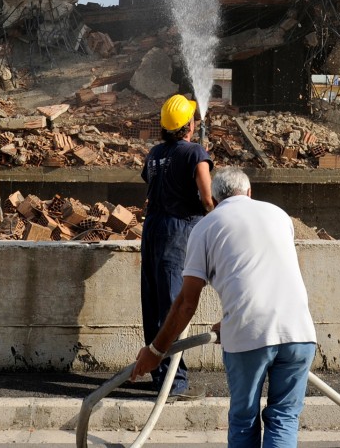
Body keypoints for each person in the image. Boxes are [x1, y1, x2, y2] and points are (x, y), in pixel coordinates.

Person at [132, 167, 317, 448]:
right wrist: (232, 320)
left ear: (214, 200)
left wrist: (156, 352)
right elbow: (267, 270)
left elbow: (185, 303)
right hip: (300, 332)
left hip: (250, 337)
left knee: (244, 421)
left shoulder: (205, 227)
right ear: (249, 193)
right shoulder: (279, 215)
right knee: (284, 417)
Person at [139, 93, 214, 398]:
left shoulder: (154, 153)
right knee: (173, 304)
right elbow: (208, 199)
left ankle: (159, 377)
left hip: (152, 227)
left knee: (154, 302)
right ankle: (175, 383)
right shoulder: (196, 153)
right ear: (188, 126)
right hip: (178, 228)